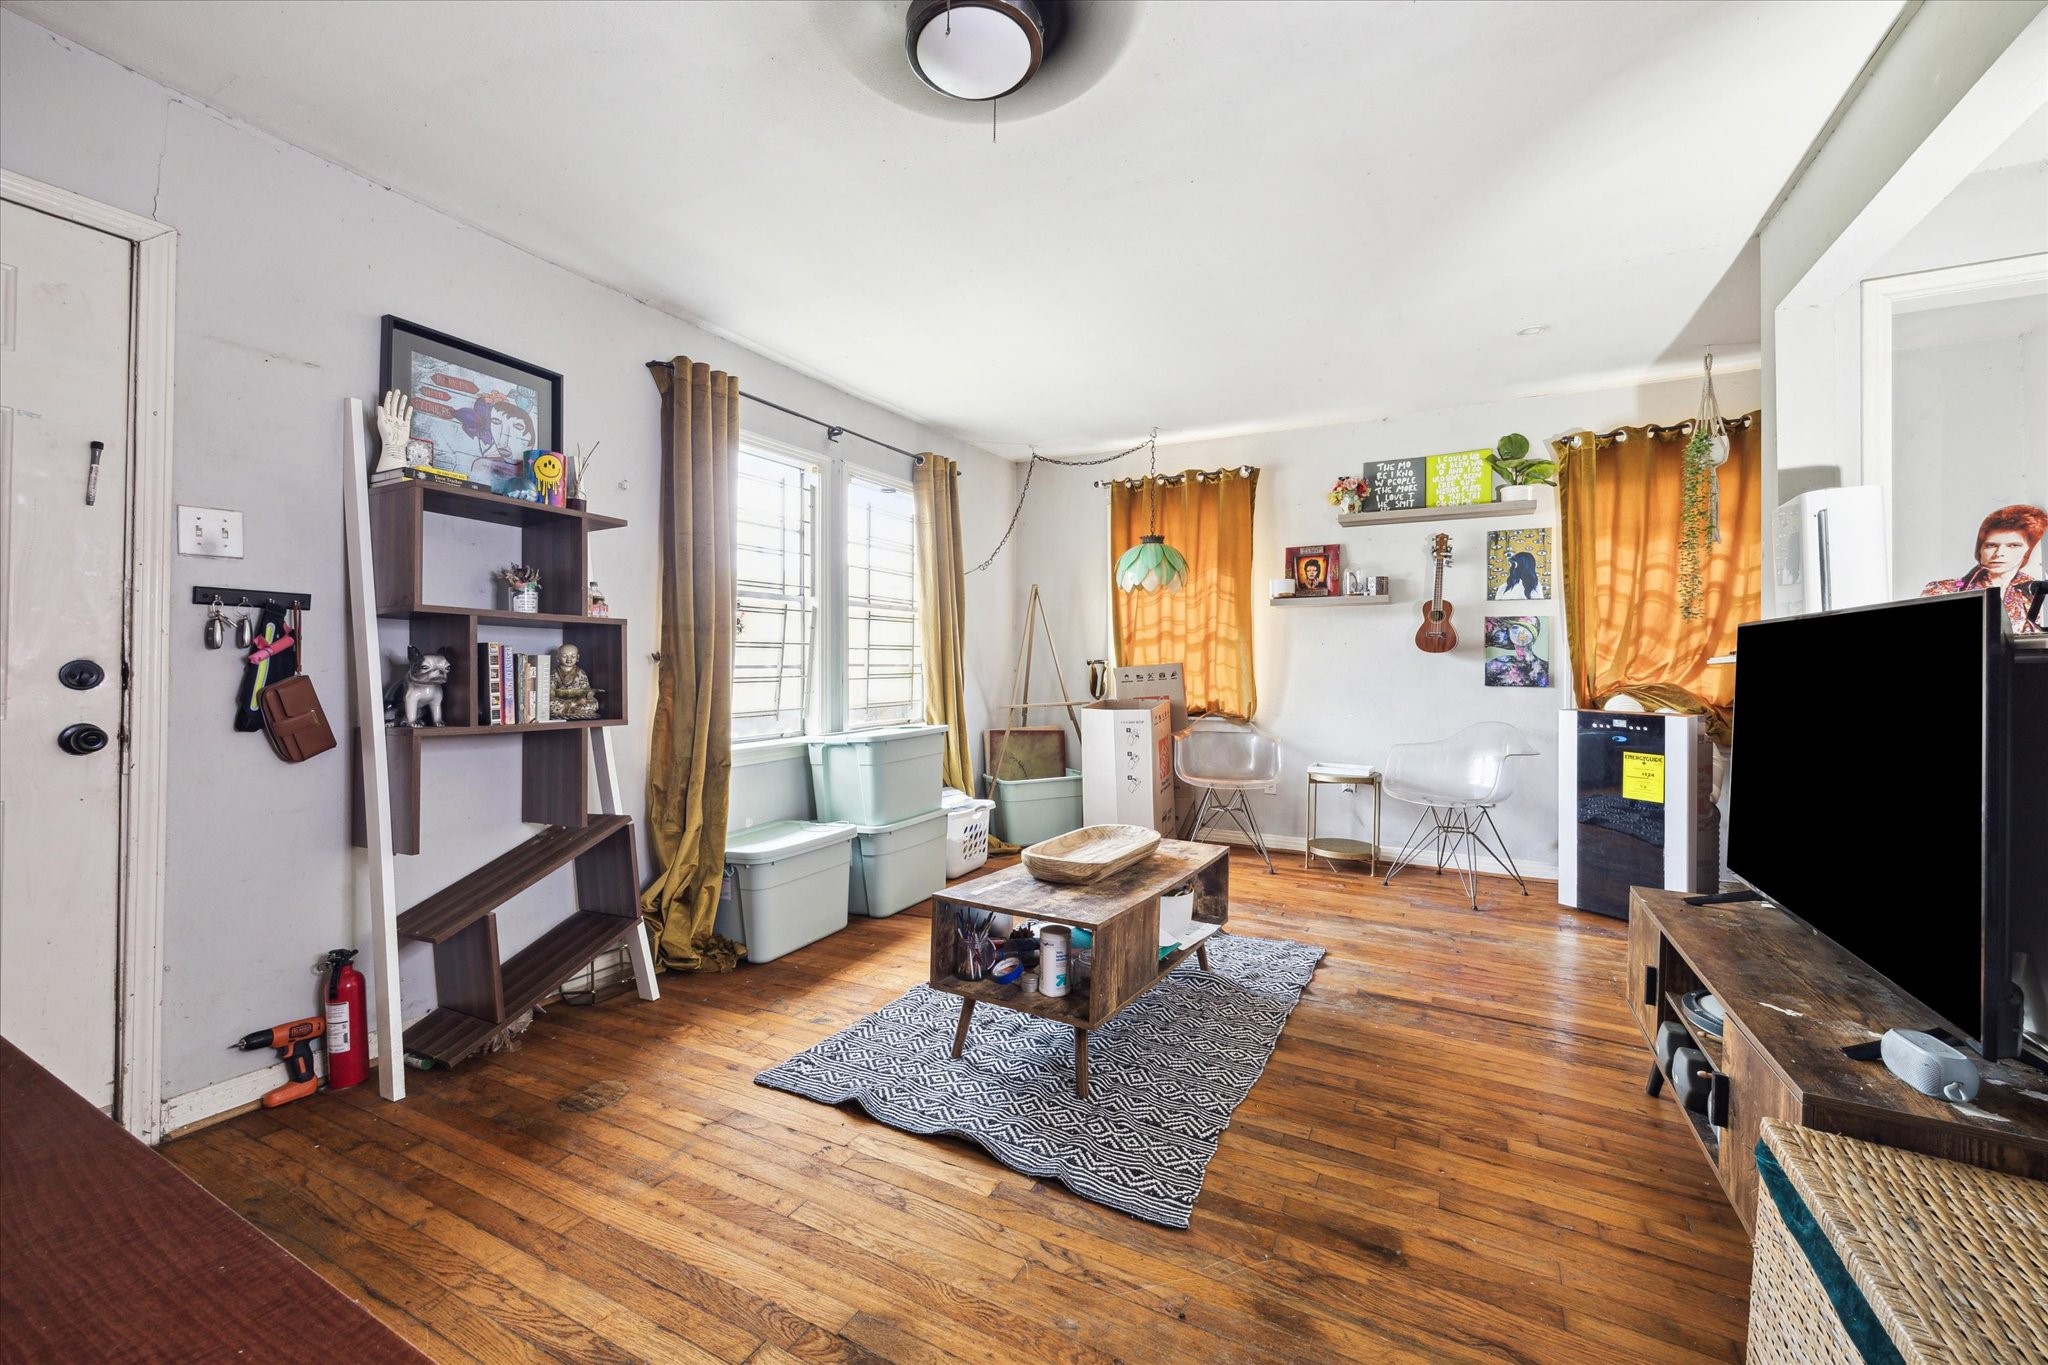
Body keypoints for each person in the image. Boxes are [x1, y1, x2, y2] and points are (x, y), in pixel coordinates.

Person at [1920, 503, 2046, 634]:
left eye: (2013, 545)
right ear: (1980, 549)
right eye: (1991, 545)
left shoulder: (2033, 593)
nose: (1999, 553)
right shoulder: (1941, 590)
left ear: (2027, 551)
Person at [457, 393, 538, 485]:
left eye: (518, 426)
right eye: (496, 421)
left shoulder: (540, 474)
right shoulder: (484, 465)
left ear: (531, 441)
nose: (502, 442)